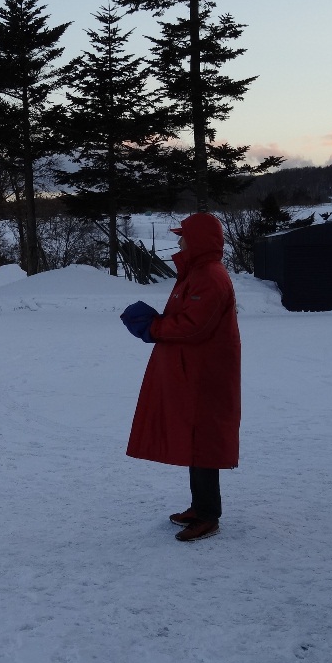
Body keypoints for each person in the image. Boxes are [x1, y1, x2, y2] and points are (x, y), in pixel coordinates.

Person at [120, 212, 241, 542]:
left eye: (183, 236)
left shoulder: (210, 277)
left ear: (198, 239)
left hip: (205, 376)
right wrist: (155, 324)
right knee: (194, 439)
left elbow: (194, 326)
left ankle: (208, 515)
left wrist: (153, 327)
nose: (180, 241)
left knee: (203, 441)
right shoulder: (196, 273)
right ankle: (200, 507)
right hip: (194, 372)